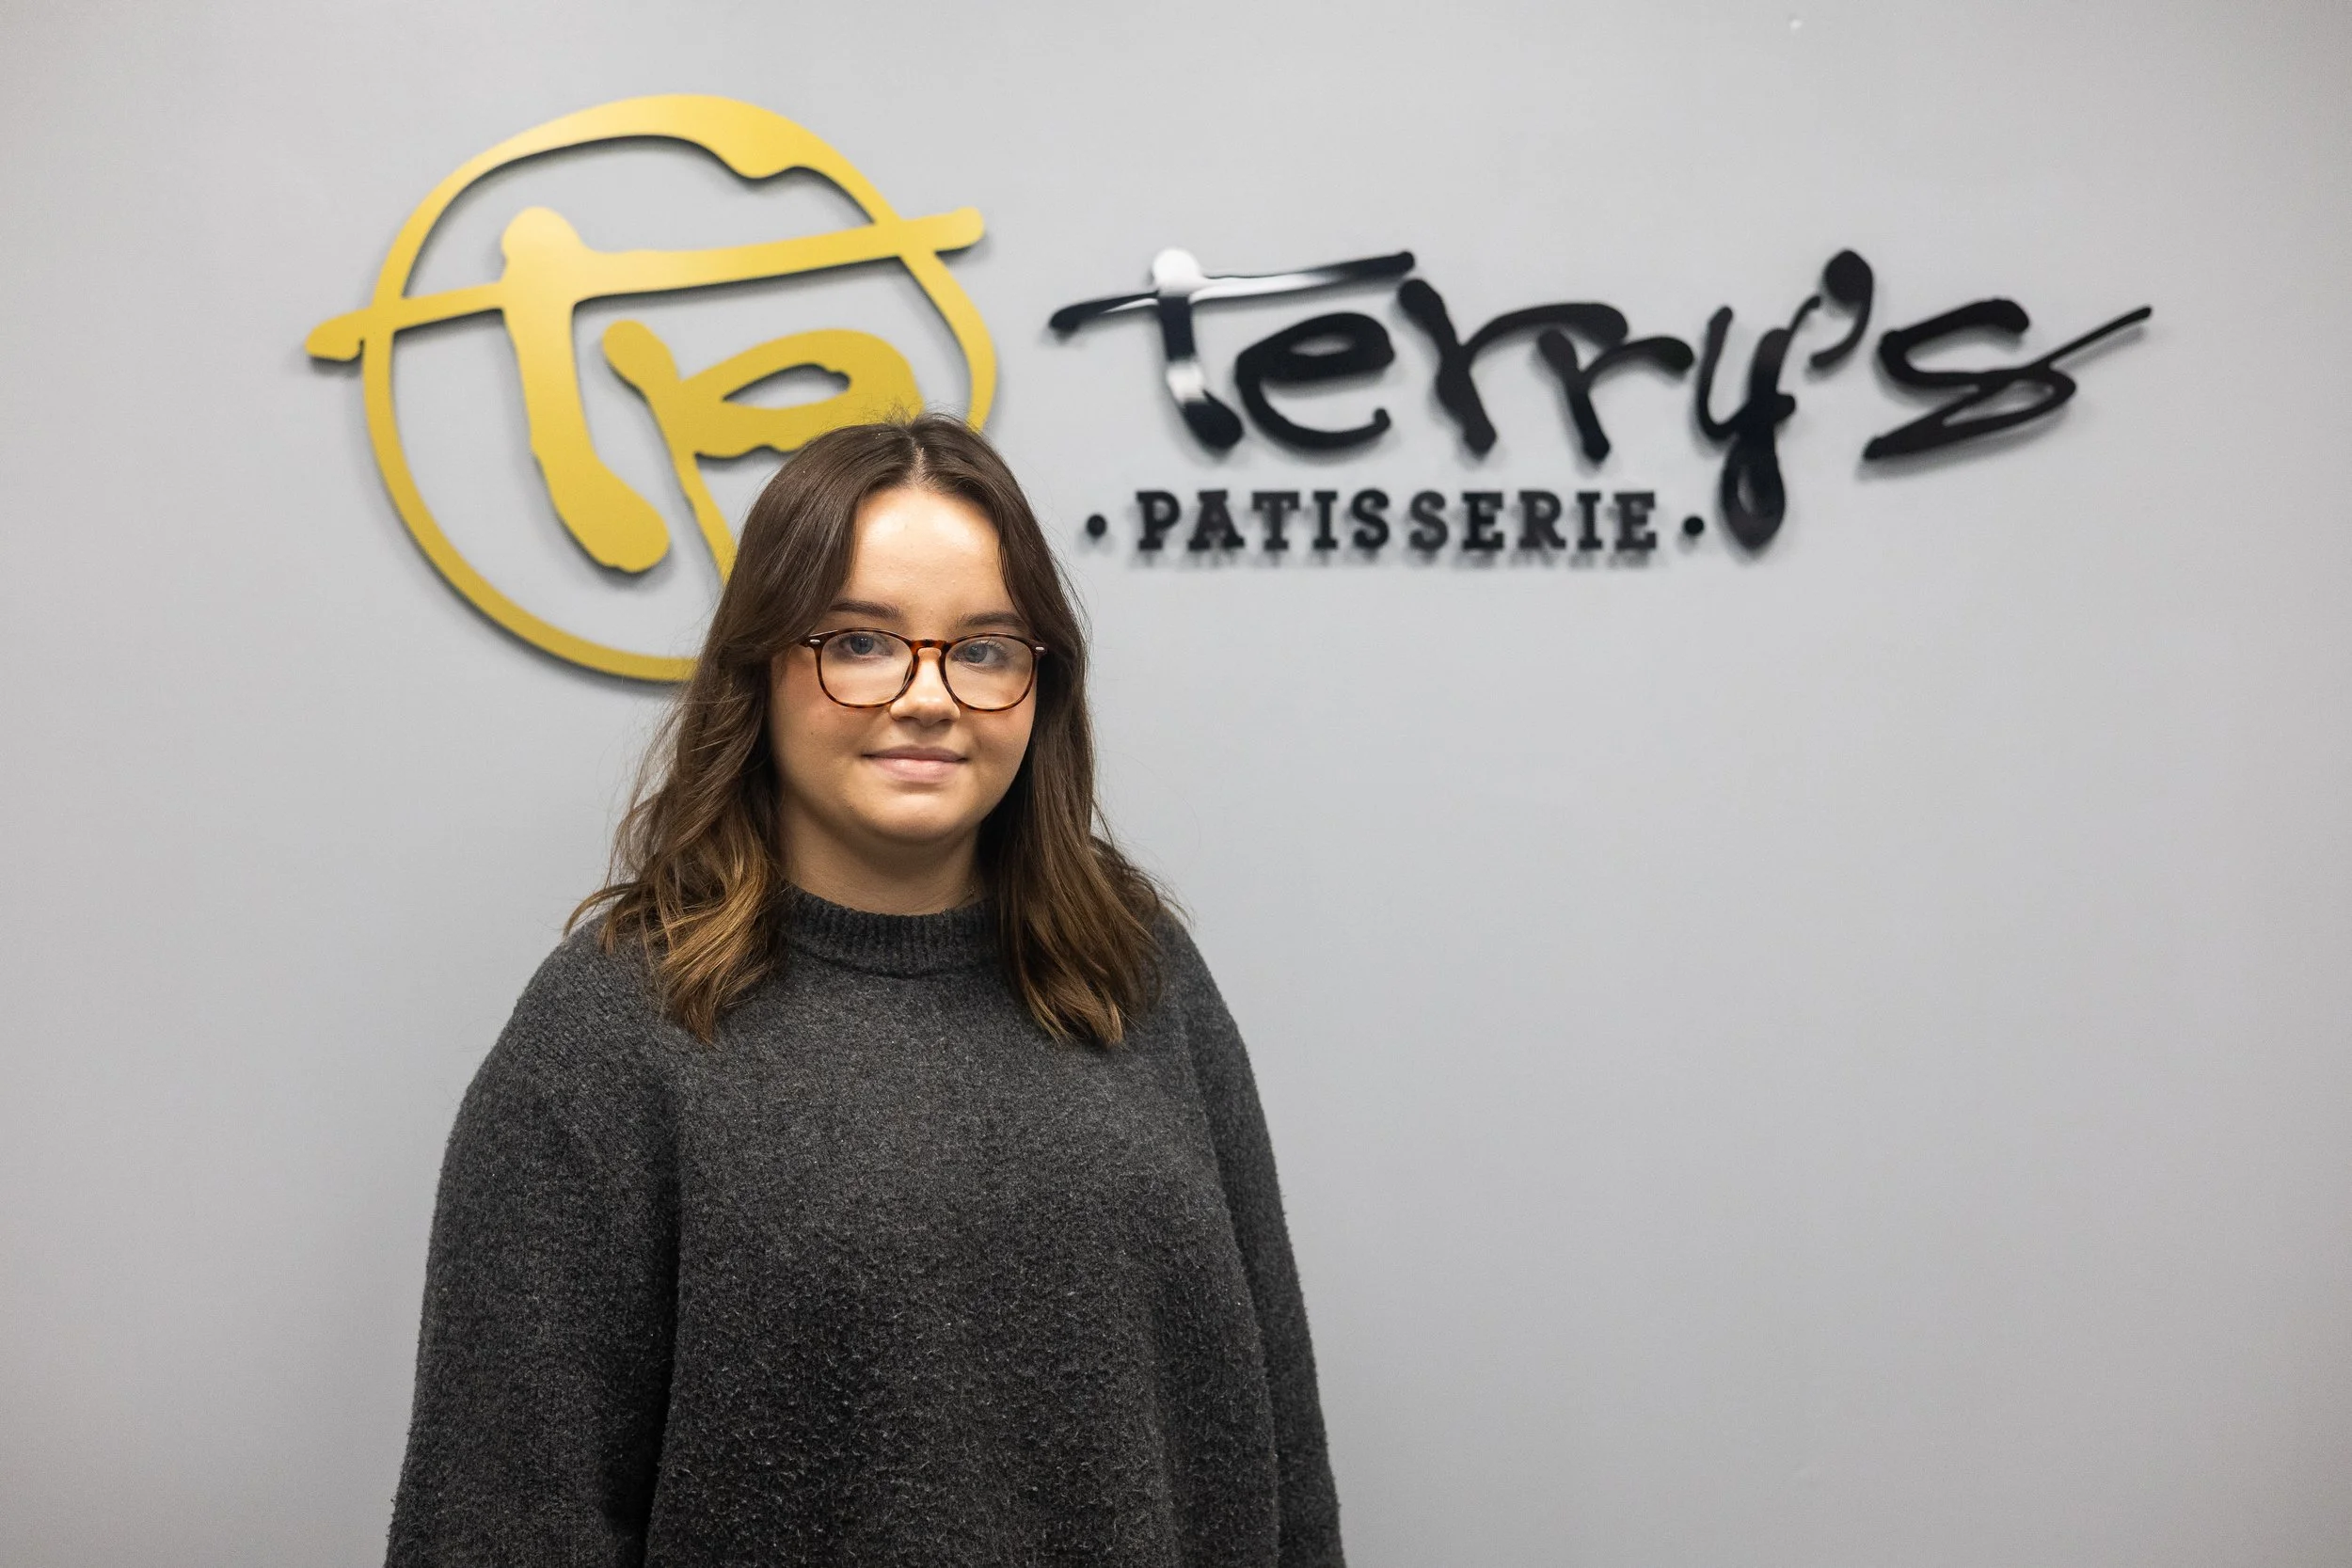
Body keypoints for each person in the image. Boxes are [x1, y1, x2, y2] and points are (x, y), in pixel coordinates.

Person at [385, 414, 1345, 1567]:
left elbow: (1283, 1457)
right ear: (762, 667)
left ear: (1040, 685)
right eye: (861, 641)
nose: (929, 696)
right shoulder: (611, 1032)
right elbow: (496, 1520)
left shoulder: (1138, 975)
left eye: (984, 648)